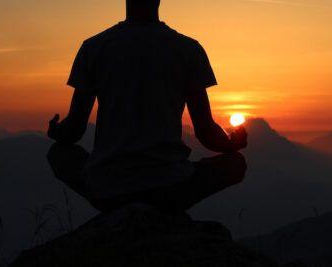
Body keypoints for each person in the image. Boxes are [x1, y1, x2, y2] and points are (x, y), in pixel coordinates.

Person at [45, 0, 248, 213]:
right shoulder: (187, 49)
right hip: (170, 187)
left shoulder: (94, 47)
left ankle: (118, 211)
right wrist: (231, 143)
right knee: (236, 164)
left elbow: (74, 130)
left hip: (108, 188)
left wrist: (57, 131)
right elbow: (206, 133)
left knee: (58, 154)